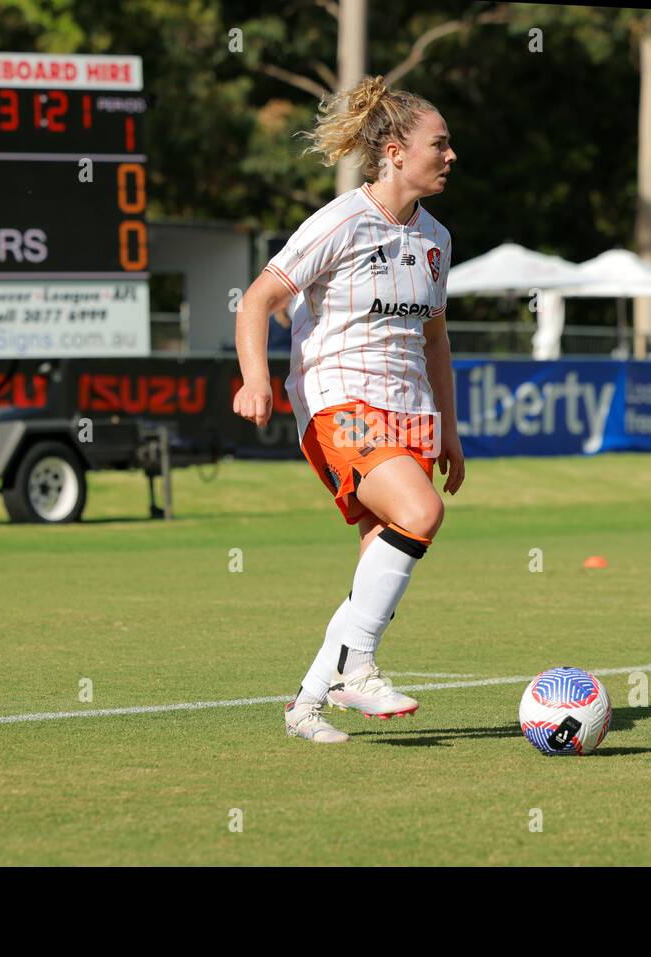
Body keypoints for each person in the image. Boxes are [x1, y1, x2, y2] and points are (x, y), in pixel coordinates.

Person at [232, 75, 462, 744]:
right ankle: (355, 668)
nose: (451, 157)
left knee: (376, 567)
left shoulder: (437, 240)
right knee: (422, 512)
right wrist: (255, 379)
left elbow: (435, 337)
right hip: (339, 400)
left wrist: (449, 429)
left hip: (410, 412)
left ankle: (305, 705)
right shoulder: (340, 220)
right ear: (394, 151)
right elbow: (256, 299)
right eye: (439, 145)